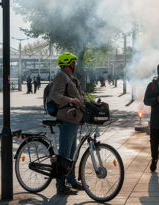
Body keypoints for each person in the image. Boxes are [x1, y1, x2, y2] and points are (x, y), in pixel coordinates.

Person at [51, 52, 89, 195]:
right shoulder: (61, 76)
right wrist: (70, 100)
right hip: (66, 119)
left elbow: (81, 95)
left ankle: (72, 180)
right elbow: (55, 95)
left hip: (74, 119)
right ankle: (60, 185)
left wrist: (91, 103)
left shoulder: (72, 79)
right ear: (69, 64)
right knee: (65, 153)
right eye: (74, 62)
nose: (76, 65)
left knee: (72, 154)